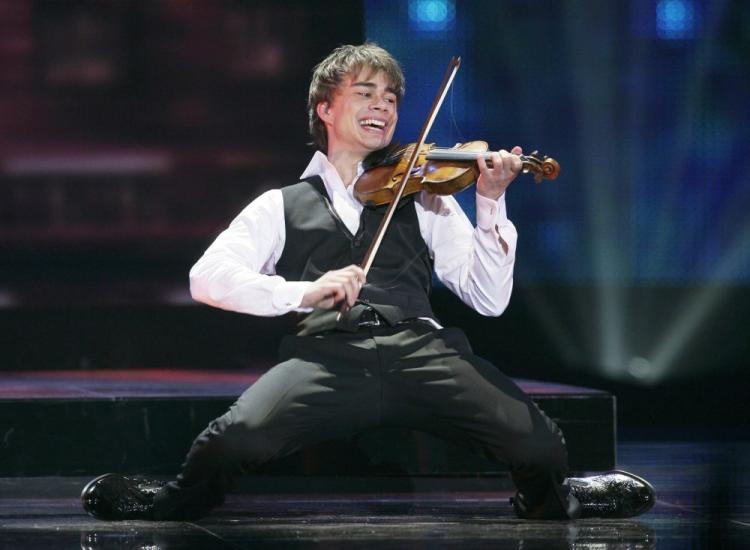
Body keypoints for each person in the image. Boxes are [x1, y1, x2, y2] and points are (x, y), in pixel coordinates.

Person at [81, 43, 654, 521]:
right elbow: (206, 278)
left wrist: (490, 204)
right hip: (328, 355)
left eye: (392, 97)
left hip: (421, 350)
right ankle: (173, 503)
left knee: (539, 443)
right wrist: (301, 293)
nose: (383, 105)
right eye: (366, 92)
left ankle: (556, 499)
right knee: (234, 440)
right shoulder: (281, 205)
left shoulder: (427, 192)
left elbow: (489, 299)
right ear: (325, 108)